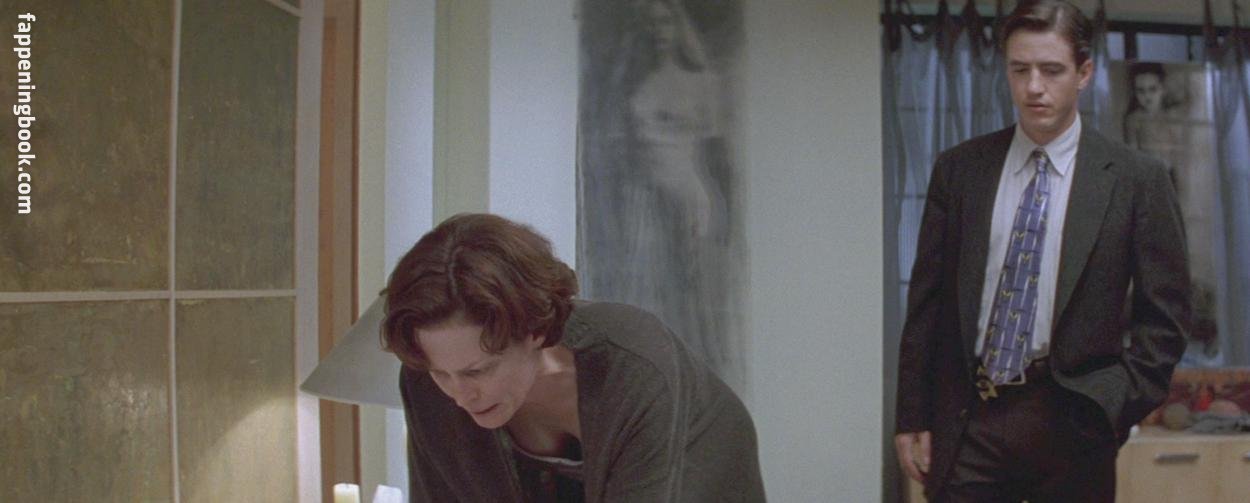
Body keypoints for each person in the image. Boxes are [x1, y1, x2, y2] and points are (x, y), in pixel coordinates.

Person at [894, 1, 1191, 501]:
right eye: (1020, 70)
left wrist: (1113, 405)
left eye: (1051, 70)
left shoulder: (1137, 180)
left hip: (1074, 422)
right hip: (971, 420)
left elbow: (1166, 317)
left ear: (1084, 73)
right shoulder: (959, 171)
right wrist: (912, 415)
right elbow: (927, 305)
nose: (1034, 87)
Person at [381, 213, 765, 502]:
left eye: (478, 370)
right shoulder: (425, 378)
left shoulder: (634, 364)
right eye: (441, 373)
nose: (460, 395)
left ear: (533, 331)